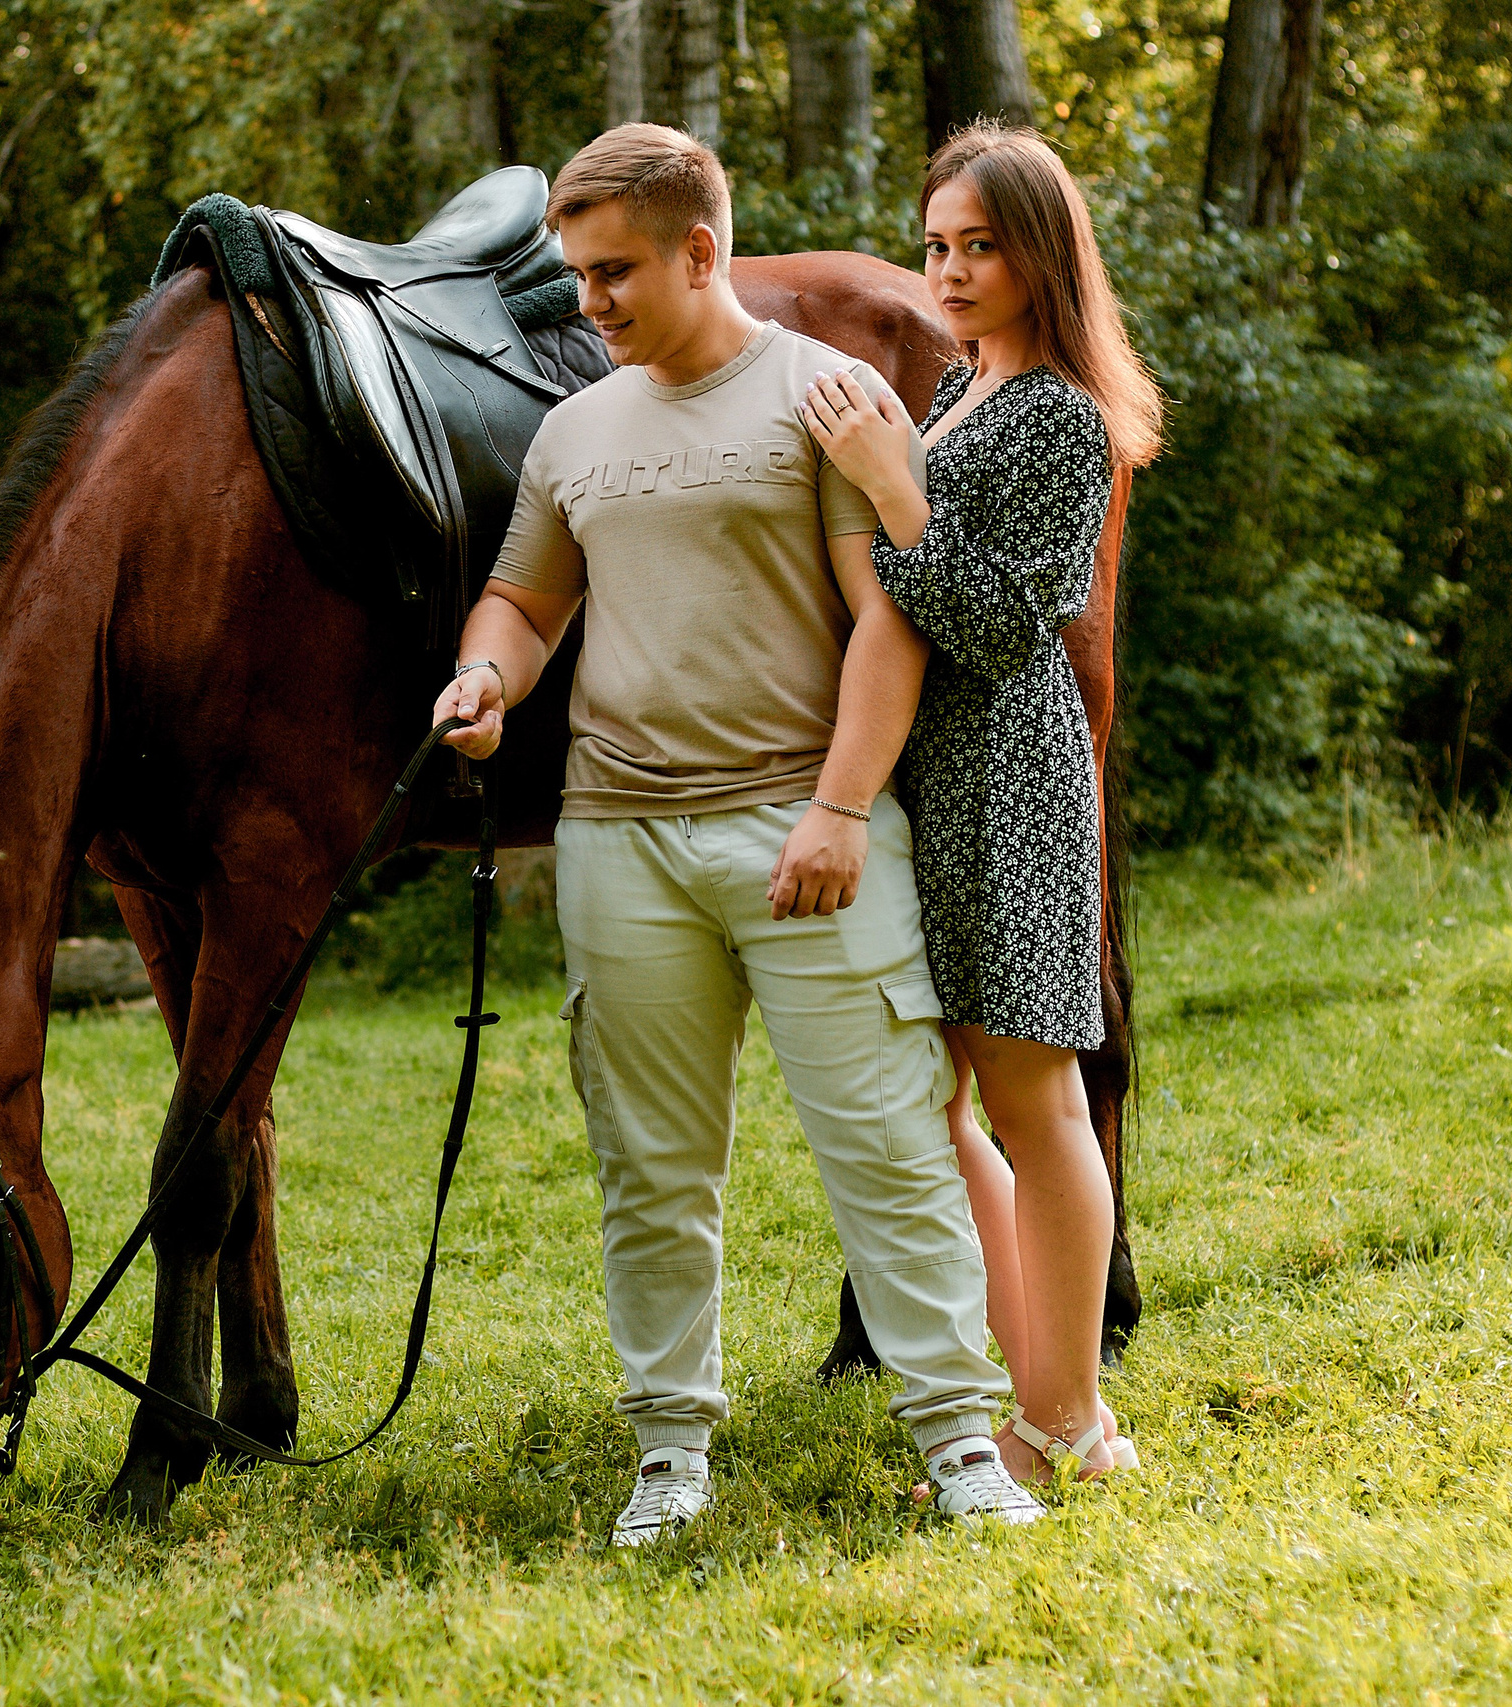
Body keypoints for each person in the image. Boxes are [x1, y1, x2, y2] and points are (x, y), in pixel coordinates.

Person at [431, 122, 1045, 1542]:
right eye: (578, 275)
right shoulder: (574, 428)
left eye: (614, 273)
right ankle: (670, 1454)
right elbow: (524, 604)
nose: (589, 304)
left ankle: (961, 1442)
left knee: (890, 1146)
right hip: (619, 843)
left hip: (806, 832)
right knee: (649, 1167)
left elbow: (890, 621)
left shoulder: (827, 397)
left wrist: (839, 805)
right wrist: (483, 676)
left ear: (700, 250)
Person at [798, 121, 1164, 1483]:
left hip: (1009, 786)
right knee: (943, 1106)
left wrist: (894, 491)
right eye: (936, 245)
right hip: (929, 786)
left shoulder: (1064, 414)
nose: (948, 271)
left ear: (1042, 255)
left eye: (980, 246)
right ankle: (1042, 1394)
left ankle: (1071, 1420)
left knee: (1035, 1102)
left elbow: (1009, 629)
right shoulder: (964, 392)